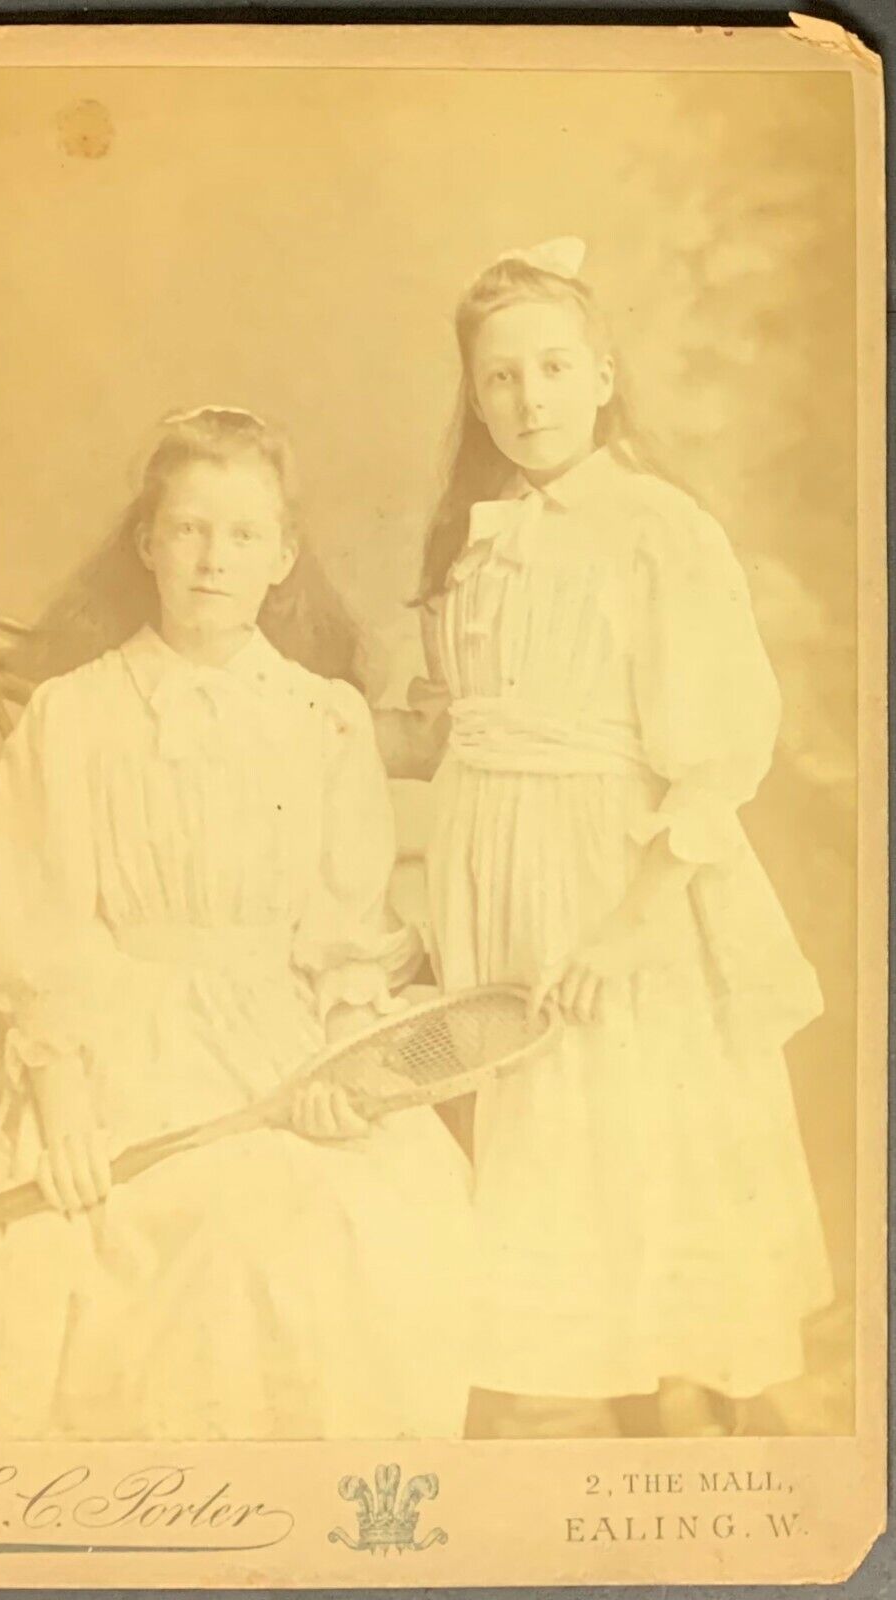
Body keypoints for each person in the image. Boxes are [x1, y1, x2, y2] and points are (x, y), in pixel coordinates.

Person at [0, 405, 471, 1441]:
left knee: (346, 1229)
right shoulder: (72, 715)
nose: (214, 559)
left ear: (282, 556)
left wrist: (345, 1078)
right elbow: (42, 927)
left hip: (279, 1042)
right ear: (148, 543)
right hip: (115, 1037)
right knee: (90, 1251)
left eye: (243, 535)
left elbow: (346, 939)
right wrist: (63, 1089)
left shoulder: (324, 720)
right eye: (190, 529)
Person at [376, 237, 833, 1438]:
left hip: (607, 888)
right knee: (543, 1162)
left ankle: (690, 1434)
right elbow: (460, 725)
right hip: (497, 880)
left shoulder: (655, 527)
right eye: (499, 379)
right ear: (473, 395)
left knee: (639, 1144)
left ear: (602, 373)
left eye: (550, 368)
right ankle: (576, 1421)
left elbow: (715, 756)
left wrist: (628, 929)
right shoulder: (475, 537)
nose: (527, 400)